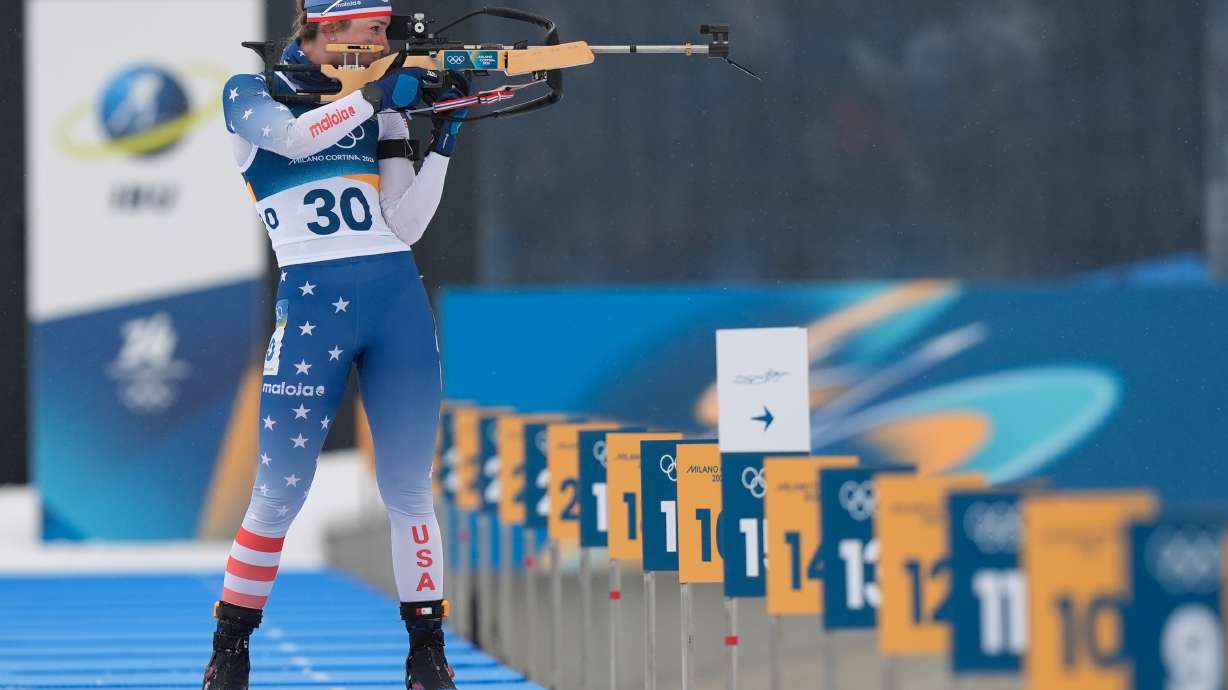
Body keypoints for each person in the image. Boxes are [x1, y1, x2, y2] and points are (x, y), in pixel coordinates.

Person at [203, 2, 466, 689]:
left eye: (384, 33)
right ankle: (230, 650)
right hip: (315, 308)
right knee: (276, 494)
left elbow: (403, 224)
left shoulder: (372, 107)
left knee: (409, 489)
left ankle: (427, 652)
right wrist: (374, 92)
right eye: (368, 31)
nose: (380, 42)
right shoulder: (249, 92)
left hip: (396, 302)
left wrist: (438, 141)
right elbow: (289, 140)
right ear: (321, 31)